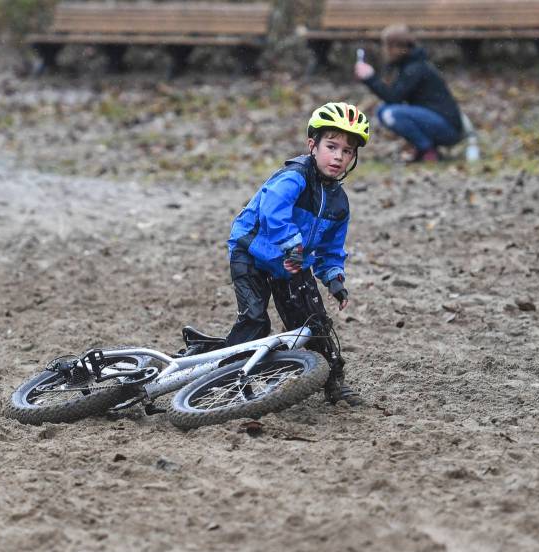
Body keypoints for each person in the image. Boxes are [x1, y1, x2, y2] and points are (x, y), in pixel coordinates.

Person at [182, 102, 368, 406]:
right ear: (313, 145)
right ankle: (227, 379)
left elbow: (331, 248)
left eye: (347, 151)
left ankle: (334, 382)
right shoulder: (294, 177)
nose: (338, 156)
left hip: (290, 266)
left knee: (316, 325)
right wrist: (292, 244)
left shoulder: (339, 203)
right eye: (331, 146)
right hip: (252, 253)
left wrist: (334, 277)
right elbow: (272, 211)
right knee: (255, 321)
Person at [354, 24, 463, 163]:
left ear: (399, 48)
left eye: (387, 47)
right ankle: (424, 148)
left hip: (448, 128)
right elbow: (392, 95)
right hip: (437, 121)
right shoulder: (410, 65)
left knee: (391, 113)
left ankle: (427, 149)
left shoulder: (415, 68)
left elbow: (393, 98)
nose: (385, 51)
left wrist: (370, 78)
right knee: (383, 110)